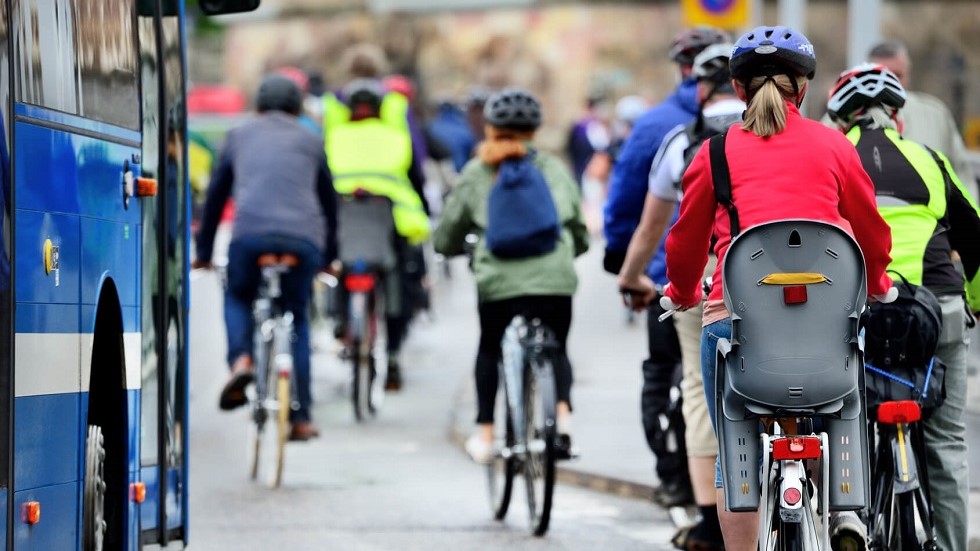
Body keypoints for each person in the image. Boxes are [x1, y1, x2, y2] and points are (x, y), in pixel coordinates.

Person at [646, 26, 895, 550]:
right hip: (826, 341)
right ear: (801, 88)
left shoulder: (712, 155)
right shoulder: (834, 146)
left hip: (740, 340)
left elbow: (685, 242)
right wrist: (876, 282)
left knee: (734, 449)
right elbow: (871, 230)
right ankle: (843, 516)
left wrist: (685, 291)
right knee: (843, 409)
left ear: (737, 89)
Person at [827, 62, 980, 551]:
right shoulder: (930, 159)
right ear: (898, 117)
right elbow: (974, 238)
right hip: (939, 308)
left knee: (843, 417)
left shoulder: (833, 157)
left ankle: (845, 518)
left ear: (841, 120)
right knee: (947, 442)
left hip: (862, 312)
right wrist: (973, 303)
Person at [618, 42, 743, 551]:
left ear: (699, 89)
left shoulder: (684, 141)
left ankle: (711, 525)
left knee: (700, 387)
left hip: (712, 278)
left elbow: (655, 227)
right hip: (793, 272)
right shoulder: (785, 133)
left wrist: (632, 277)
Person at [433, 88, 589, 464]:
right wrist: (573, 251)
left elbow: (447, 234)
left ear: (489, 128)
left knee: (490, 347)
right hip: (553, 280)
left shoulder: (476, 172)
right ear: (534, 130)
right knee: (556, 346)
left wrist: (451, 248)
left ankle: (486, 434)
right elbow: (578, 228)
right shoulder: (553, 169)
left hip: (498, 283)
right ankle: (563, 418)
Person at [193, 74, 339, 442]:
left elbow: (215, 198)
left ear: (258, 106)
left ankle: (241, 360)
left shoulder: (239, 136)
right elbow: (329, 202)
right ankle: (301, 417)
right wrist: (329, 257)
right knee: (297, 315)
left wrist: (205, 253)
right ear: (297, 107)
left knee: (239, 293)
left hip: (250, 236)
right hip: (302, 240)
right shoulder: (311, 139)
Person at [323, 77, 431, 392]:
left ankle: (340, 320)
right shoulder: (395, 134)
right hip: (390, 220)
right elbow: (415, 176)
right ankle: (394, 354)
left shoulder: (335, 134)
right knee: (399, 277)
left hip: (346, 219)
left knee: (338, 265)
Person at [868, 40, 977, 201]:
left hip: (934, 223)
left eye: (897, 75)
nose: (890, 83)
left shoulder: (935, 115)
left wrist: (972, 222)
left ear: (908, 74)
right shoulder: (840, 119)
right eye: (882, 76)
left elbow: (961, 174)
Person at [565, 88, 612, 188]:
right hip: (589, 170)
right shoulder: (594, 126)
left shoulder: (579, 125)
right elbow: (603, 150)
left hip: (585, 169)